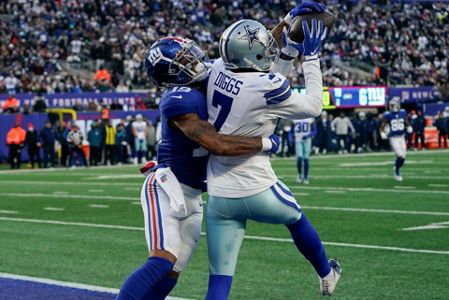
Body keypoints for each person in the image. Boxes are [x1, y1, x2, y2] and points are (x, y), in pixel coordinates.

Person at [116, 36, 280, 300]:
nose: (194, 58)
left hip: (194, 196)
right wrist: (265, 143)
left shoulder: (211, 76)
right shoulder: (178, 98)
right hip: (167, 188)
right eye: (184, 57)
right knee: (161, 261)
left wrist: (284, 24)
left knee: (171, 273)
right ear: (171, 71)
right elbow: (216, 144)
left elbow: (248, 46)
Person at [204, 5, 341, 299]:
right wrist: (312, 55)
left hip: (218, 193)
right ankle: (326, 275)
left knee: (219, 281)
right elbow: (314, 106)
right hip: (256, 188)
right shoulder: (268, 84)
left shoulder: (216, 68)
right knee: (296, 219)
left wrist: (287, 28)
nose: (269, 43)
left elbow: (259, 66)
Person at [380, 99, 413, 181]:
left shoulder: (402, 112)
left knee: (403, 157)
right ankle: (396, 171)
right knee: (400, 156)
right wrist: (382, 132)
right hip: (393, 138)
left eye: (393, 105)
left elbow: (405, 121)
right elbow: (382, 125)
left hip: (402, 137)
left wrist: (408, 126)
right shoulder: (388, 115)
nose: (391, 107)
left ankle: (396, 166)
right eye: (391, 105)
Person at [293, 118, 316, 184]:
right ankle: (299, 174)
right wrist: (291, 137)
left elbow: (314, 130)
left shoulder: (310, 118)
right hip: (298, 140)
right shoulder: (295, 118)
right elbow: (292, 130)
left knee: (306, 159)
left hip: (307, 141)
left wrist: (308, 135)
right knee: (299, 158)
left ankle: (305, 176)